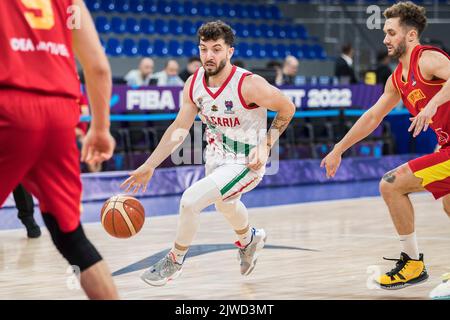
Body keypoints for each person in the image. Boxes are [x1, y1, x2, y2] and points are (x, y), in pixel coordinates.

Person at [121, 20, 295, 286]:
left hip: (246, 161)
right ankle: (250, 239)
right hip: (215, 157)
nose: (209, 56)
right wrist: (150, 165)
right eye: (204, 49)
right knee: (225, 204)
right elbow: (179, 128)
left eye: (216, 49)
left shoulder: (249, 84)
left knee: (190, 201)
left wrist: (266, 144)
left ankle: (175, 260)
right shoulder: (193, 84)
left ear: (229, 51)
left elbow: (287, 108)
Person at [321, 1, 450, 292]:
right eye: (385, 33)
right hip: (446, 148)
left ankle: (413, 263)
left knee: (391, 184)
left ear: (411, 35)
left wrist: (431, 105)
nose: (385, 39)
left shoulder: (427, 58)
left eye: (391, 32)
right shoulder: (396, 79)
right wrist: (339, 148)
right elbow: (373, 116)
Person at [0, 0, 118, 299]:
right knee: (71, 236)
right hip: (60, 115)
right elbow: (99, 68)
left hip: (8, 105)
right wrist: (101, 128)